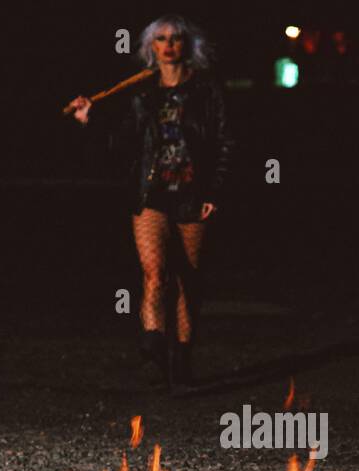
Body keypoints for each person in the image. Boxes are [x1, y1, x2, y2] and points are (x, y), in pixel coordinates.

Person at [67, 14, 234, 390]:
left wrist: (214, 192)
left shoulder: (207, 91)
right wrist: (90, 120)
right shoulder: (143, 94)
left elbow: (225, 143)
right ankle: (153, 340)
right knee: (154, 273)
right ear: (151, 47)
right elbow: (124, 144)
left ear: (187, 45)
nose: (169, 44)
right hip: (151, 194)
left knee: (186, 281)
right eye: (161, 38)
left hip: (193, 196)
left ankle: (181, 362)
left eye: (176, 38)